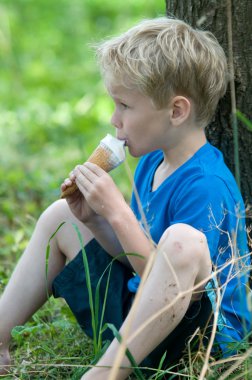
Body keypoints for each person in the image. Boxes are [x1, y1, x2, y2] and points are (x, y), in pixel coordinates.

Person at [0, 17, 251, 379]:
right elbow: (138, 262)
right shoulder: (151, 161)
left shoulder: (207, 185)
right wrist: (95, 220)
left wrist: (117, 212)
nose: (114, 119)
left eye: (125, 106)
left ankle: (105, 374)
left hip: (195, 343)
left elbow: (177, 289)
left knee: (182, 243)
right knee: (62, 217)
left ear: (176, 111)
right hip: (140, 321)